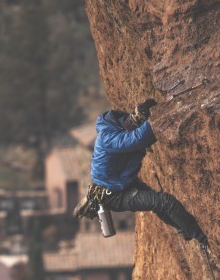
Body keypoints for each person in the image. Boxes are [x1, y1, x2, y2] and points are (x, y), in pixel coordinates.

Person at [74, 99, 208, 248]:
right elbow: (135, 139)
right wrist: (156, 119)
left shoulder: (115, 128)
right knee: (164, 202)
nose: (133, 125)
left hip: (120, 181)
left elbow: (130, 130)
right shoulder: (108, 138)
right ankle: (202, 238)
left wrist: (140, 115)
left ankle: (185, 229)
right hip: (114, 196)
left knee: (159, 204)